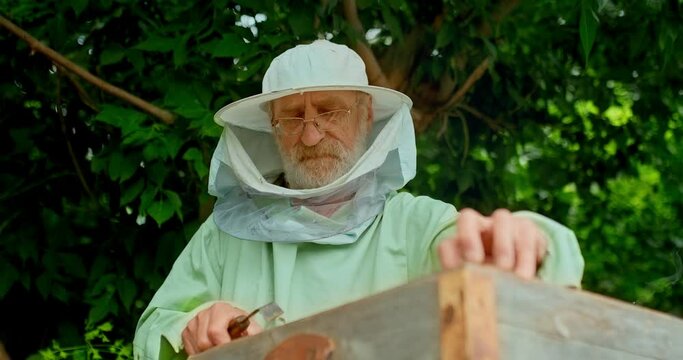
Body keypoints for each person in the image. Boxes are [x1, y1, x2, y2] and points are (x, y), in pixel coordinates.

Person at [133, 40, 584, 359]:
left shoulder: (415, 224)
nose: (310, 134)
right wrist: (189, 327)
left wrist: (526, 239)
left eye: (329, 110)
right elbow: (151, 333)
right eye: (292, 117)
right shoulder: (225, 235)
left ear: (367, 117)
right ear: (272, 128)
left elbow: (496, 253)